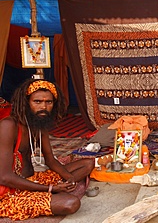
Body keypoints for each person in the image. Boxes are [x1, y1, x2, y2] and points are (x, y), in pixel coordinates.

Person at [0, 79, 95, 220]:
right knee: (71, 203)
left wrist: (69, 178)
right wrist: (50, 189)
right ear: (26, 102)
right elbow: (4, 177)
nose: (43, 107)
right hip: (10, 192)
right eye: (37, 102)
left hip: (32, 180)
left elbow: (50, 159)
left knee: (87, 163)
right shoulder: (8, 125)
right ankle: (52, 194)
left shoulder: (38, 123)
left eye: (48, 102)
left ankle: (55, 191)